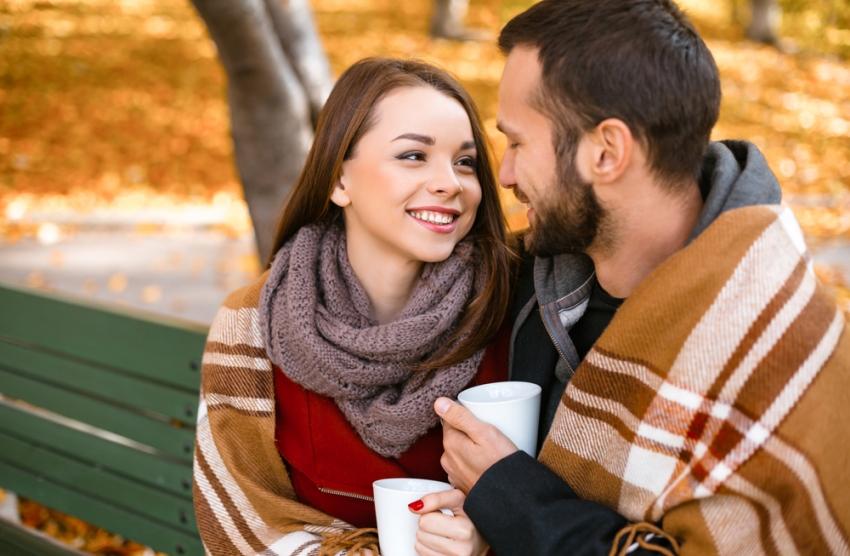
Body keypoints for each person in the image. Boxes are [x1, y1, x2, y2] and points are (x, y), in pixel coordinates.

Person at [411, 1, 850, 554]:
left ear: (606, 152)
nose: (505, 174)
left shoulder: (782, 354)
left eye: (519, 142)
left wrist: (511, 502)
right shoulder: (536, 286)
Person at [192, 57, 513, 555]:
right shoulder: (252, 322)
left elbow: (553, 502)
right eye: (413, 156)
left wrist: (490, 540)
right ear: (339, 180)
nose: (450, 182)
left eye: (465, 161)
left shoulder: (508, 310)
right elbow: (239, 518)